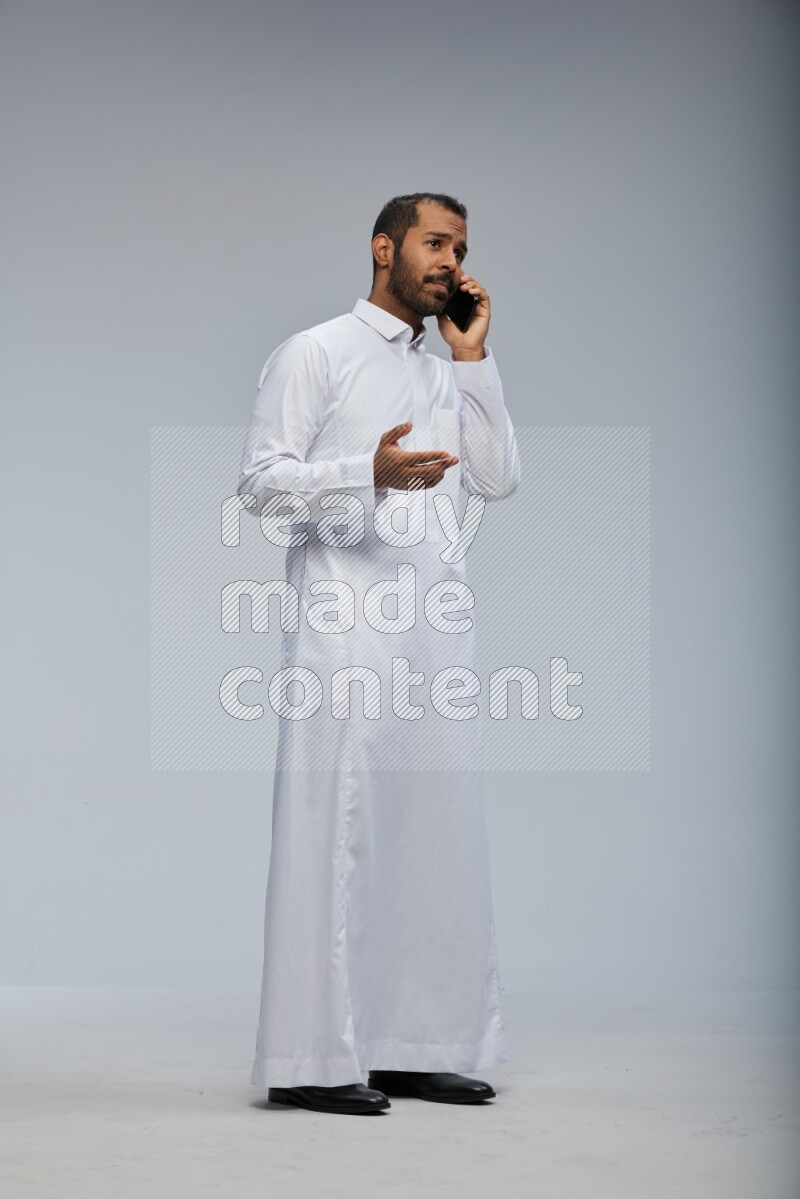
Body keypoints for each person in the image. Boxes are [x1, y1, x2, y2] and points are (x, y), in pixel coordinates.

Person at [237, 192, 521, 1115]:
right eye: (436, 243)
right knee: (338, 833)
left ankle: (413, 1042)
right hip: (346, 629)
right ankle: (310, 1060)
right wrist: (369, 471)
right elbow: (264, 487)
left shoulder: (444, 374)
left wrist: (474, 361)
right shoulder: (316, 351)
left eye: (461, 248)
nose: (450, 261)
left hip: (432, 634)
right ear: (383, 246)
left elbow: (496, 478)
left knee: (429, 836)